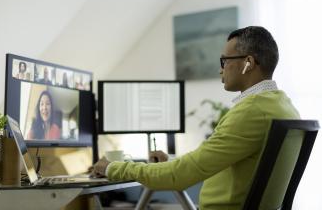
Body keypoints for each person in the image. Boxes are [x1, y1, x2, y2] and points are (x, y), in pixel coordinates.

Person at [92, 26, 300, 209]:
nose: (220, 69)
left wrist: (112, 167)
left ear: (248, 63)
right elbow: (205, 162)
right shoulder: (284, 107)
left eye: (224, 60)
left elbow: (178, 176)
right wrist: (171, 162)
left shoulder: (251, 111)